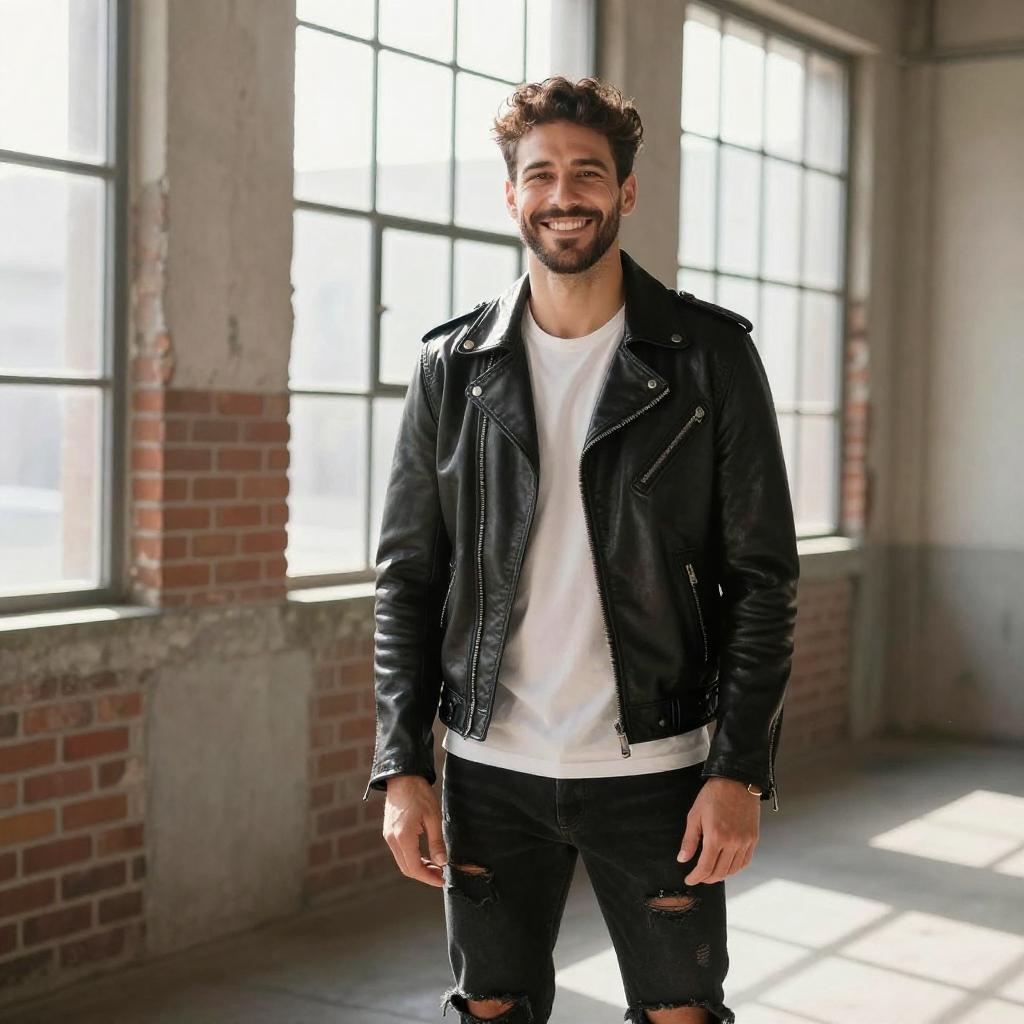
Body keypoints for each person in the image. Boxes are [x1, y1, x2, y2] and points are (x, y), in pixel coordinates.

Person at [363, 76, 799, 1024]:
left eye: (589, 174)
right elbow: (408, 578)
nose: (565, 195)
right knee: (491, 1009)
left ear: (626, 192)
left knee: (681, 1014)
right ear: (512, 194)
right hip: (490, 769)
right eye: (542, 175)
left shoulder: (708, 358)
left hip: (659, 770)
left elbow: (763, 579)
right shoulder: (455, 366)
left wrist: (737, 770)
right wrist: (403, 767)